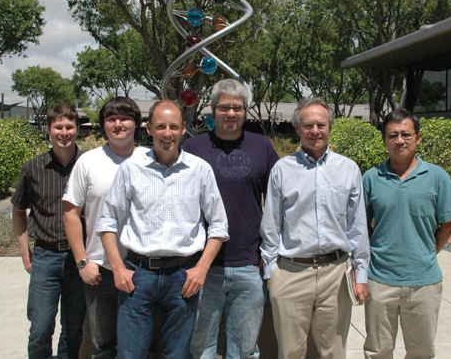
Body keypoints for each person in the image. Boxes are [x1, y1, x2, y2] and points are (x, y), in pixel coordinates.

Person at [97, 99, 230, 359]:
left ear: (183, 129)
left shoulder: (200, 170)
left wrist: (200, 269)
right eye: (160, 126)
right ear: (148, 128)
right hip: (137, 276)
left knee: (177, 355)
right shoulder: (130, 169)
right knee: (129, 354)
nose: (167, 133)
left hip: (183, 277)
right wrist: (118, 269)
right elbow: (107, 221)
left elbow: (219, 225)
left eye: (173, 126)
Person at [260, 96, 370, 359]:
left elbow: (357, 227)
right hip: (291, 272)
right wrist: (271, 275)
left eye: (321, 124)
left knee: (332, 352)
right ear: (297, 128)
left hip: (335, 274)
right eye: (307, 125)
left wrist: (361, 274)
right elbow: (271, 226)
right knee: (290, 353)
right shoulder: (282, 170)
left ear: (330, 127)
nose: (315, 131)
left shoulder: (348, 169)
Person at [184, 79, 279, 359]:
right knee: (201, 348)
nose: (230, 114)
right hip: (202, 266)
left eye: (237, 108)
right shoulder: (193, 148)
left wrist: (269, 248)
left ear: (246, 110)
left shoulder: (262, 147)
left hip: (249, 263)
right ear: (212, 109)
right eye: (224, 107)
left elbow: (276, 203)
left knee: (246, 350)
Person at [362, 109, 451, 359]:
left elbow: (448, 224)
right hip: (380, 279)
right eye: (392, 135)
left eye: (406, 134)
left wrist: (427, 252)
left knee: (421, 352)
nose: (399, 140)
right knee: (377, 352)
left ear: (418, 138)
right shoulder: (371, 178)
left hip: (424, 282)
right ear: (384, 140)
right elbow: (361, 223)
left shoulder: (437, 177)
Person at [63, 97, 146, 359]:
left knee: (141, 345)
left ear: (138, 124)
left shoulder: (152, 159)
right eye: (111, 119)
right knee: (102, 345)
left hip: (144, 268)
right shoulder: (88, 162)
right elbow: (70, 213)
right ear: (103, 126)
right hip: (101, 270)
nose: (118, 124)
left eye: (124, 118)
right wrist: (82, 262)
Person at [11, 103, 86, 359]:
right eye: (58, 127)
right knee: (41, 328)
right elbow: (19, 210)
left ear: (77, 129)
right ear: (49, 130)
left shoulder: (88, 165)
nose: (64, 132)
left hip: (80, 259)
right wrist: (25, 254)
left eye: (69, 126)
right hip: (45, 256)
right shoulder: (33, 168)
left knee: (74, 328)